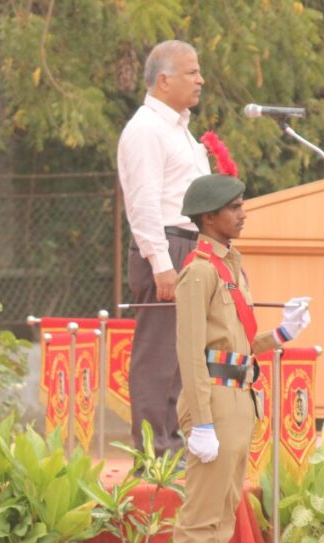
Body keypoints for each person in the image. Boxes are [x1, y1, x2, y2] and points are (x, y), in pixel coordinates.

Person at [173, 174, 309, 543]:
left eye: (241, 204)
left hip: (238, 399)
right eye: (233, 207)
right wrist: (200, 421)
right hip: (213, 402)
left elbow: (238, 347)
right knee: (199, 522)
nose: (242, 213)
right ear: (208, 218)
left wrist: (281, 333)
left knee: (222, 519)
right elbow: (191, 354)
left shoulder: (230, 267)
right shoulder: (199, 272)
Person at [117, 39, 212, 454]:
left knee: (183, 356)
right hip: (166, 247)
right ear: (164, 79)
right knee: (159, 355)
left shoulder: (182, 131)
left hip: (191, 245)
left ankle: (175, 443)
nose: (201, 80)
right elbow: (142, 203)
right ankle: (153, 454)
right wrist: (160, 262)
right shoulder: (145, 129)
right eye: (192, 72)